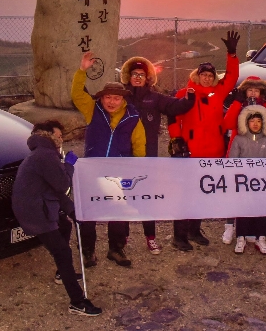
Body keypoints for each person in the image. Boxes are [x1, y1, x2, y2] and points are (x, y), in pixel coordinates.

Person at [12, 121, 101, 316]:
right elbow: (61, 185)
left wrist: (72, 211)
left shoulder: (43, 153)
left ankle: (63, 272)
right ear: (49, 135)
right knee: (62, 252)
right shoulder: (45, 155)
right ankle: (77, 302)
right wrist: (69, 167)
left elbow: (53, 189)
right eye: (59, 136)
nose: (61, 139)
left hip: (38, 206)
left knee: (65, 227)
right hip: (36, 212)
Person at [71, 51, 147, 267]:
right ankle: (87, 251)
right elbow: (77, 94)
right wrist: (82, 71)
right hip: (92, 170)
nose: (111, 102)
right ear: (101, 98)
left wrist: (138, 168)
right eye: (107, 97)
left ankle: (116, 249)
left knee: (118, 211)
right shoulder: (92, 110)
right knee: (88, 212)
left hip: (119, 172)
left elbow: (139, 145)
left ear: (123, 99)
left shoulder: (133, 118)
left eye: (116, 98)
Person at [168, 31, 240, 251]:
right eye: (204, 74)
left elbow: (232, 76)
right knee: (185, 194)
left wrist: (232, 54)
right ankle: (178, 235)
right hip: (191, 150)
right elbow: (173, 115)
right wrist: (175, 138)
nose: (207, 78)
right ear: (197, 75)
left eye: (211, 75)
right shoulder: (186, 92)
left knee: (202, 192)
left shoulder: (218, 93)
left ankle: (194, 229)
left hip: (213, 150)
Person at [120, 57, 196, 256]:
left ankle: (150, 238)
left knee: (147, 198)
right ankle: (122, 238)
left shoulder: (154, 98)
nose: (137, 78)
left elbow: (174, 106)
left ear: (147, 78)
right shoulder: (120, 96)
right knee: (123, 196)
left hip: (148, 157)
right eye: (134, 74)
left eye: (141, 75)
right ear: (129, 76)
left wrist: (189, 99)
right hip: (123, 156)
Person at [220, 76, 266, 244]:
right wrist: (237, 103)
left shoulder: (265, 106)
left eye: (257, 90)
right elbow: (227, 123)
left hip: (259, 152)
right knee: (234, 190)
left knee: (256, 190)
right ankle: (229, 225)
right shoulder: (240, 105)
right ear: (244, 91)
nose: (253, 93)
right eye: (250, 90)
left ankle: (252, 228)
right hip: (238, 149)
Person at [227, 104, 266, 255]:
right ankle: (241, 237)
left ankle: (261, 237)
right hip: (244, 182)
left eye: (259, 121)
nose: (256, 124)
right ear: (246, 123)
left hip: (262, 182)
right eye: (252, 121)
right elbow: (232, 159)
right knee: (243, 209)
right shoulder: (239, 139)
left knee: (261, 209)